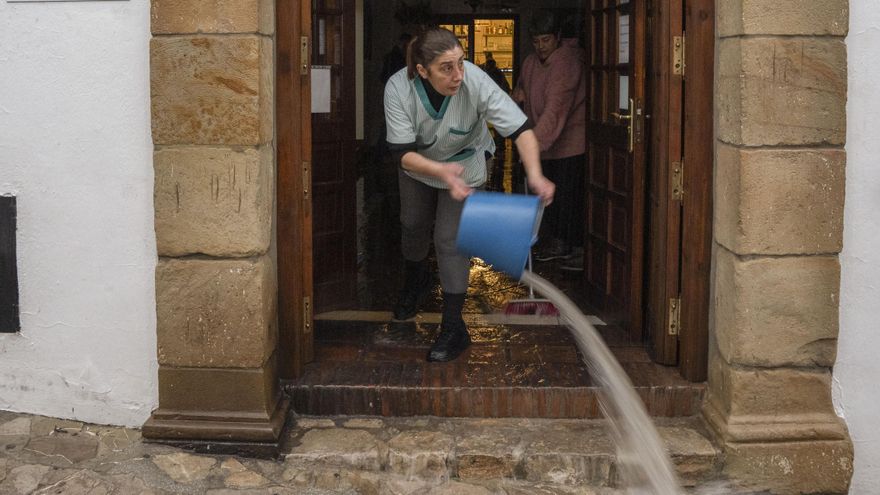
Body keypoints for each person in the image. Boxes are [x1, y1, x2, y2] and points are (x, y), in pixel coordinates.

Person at [384, 27, 555, 362]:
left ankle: (453, 327)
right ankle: (416, 281)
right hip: (418, 165)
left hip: (466, 166)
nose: (458, 75)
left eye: (461, 63)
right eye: (446, 68)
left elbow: (521, 130)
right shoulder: (397, 88)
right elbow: (401, 153)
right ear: (422, 71)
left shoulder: (474, 80)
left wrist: (536, 175)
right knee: (413, 224)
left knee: (448, 239)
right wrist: (440, 171)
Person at [512, 10, 587, 271]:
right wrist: (518, 94)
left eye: (546, 40)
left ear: (557, 37)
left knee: (566, 198)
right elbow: (521, 89)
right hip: (543, 143)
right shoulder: (531, 62)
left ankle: (571, 248)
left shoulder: (566, 62)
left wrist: (530, 145)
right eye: (536, 41)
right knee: (548, 200)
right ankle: (556, 242)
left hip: (569, 143)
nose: (541, 46)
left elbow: (555, 109)